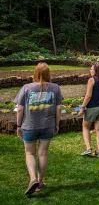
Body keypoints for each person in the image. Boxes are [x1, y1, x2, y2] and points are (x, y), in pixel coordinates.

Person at [15, 62, 63, 195]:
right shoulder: (55, 88)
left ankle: (33, 179)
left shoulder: (26, 88)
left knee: (30, 153)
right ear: (49, 74)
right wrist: (57, 124)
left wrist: (18, 126)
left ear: (35, 73)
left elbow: (20, 109)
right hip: (48, 126)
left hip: (29, 126)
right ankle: (40, 182)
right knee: (43, 153)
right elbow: (59, 108)